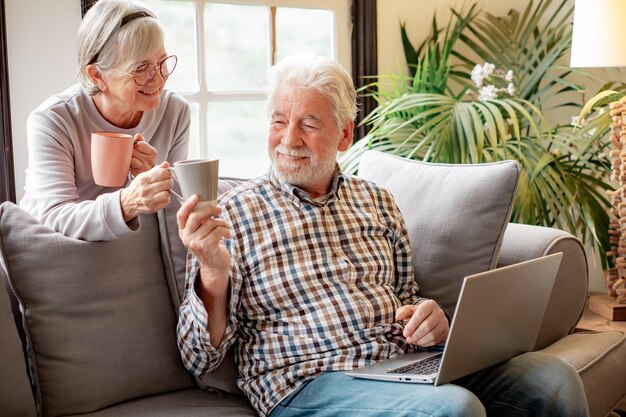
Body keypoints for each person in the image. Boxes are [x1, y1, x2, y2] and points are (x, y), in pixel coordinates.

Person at [176, 54, 589, 417]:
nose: (288, 139)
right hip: (305, 382)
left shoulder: (377, 201)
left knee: (552, 377)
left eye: (308, 124)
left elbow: (407, 297)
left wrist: (430, 319)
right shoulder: (232, 214)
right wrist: (213, 273)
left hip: (398, 366)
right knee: (454, 408)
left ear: (344, 134)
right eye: (279, 121)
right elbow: (198, 358)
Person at [20, 0, 189, 241]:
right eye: (141, 68)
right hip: (56, 252)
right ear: (98, 75)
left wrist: (157, 179)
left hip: (130, 248)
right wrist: (127, 202)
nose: (158, 79)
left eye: (161, 62)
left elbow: (177, 210)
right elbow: (54, 216)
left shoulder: (175, 111)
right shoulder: (53, 120)